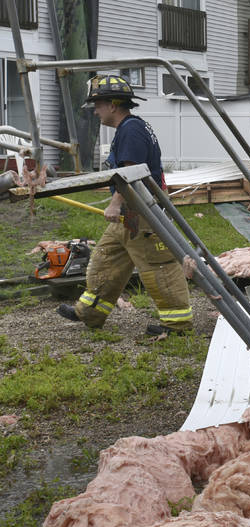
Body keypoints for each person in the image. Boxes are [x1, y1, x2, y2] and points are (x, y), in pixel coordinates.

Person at [57, 75, 193, 336]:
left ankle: (177, 325)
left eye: (98, 104)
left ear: (113, 105)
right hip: (129, 216)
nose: (96, 111)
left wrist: (114, 203)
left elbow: (130, 174)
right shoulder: (128, 129)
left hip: (142, 215)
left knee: (158, 268)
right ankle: (90, 312)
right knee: (104, 262)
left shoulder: (131, 130)